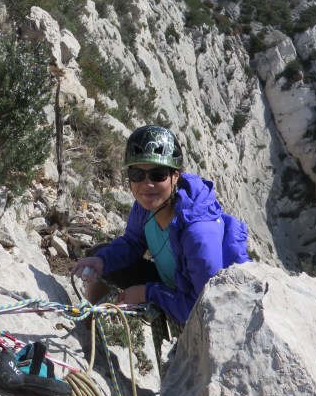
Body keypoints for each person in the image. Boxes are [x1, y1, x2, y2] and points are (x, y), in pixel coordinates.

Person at [71, 124, 248, 324]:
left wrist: (148, 292)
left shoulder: (198, 236)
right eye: (137, 174)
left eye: (158, 174)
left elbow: (204, 309)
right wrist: (102, 261)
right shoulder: (147, 207)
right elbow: (133, 243)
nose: (147, 184)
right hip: (173, 283)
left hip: (202, 303)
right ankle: (87, 328)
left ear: (175, 176)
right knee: (99, 255)